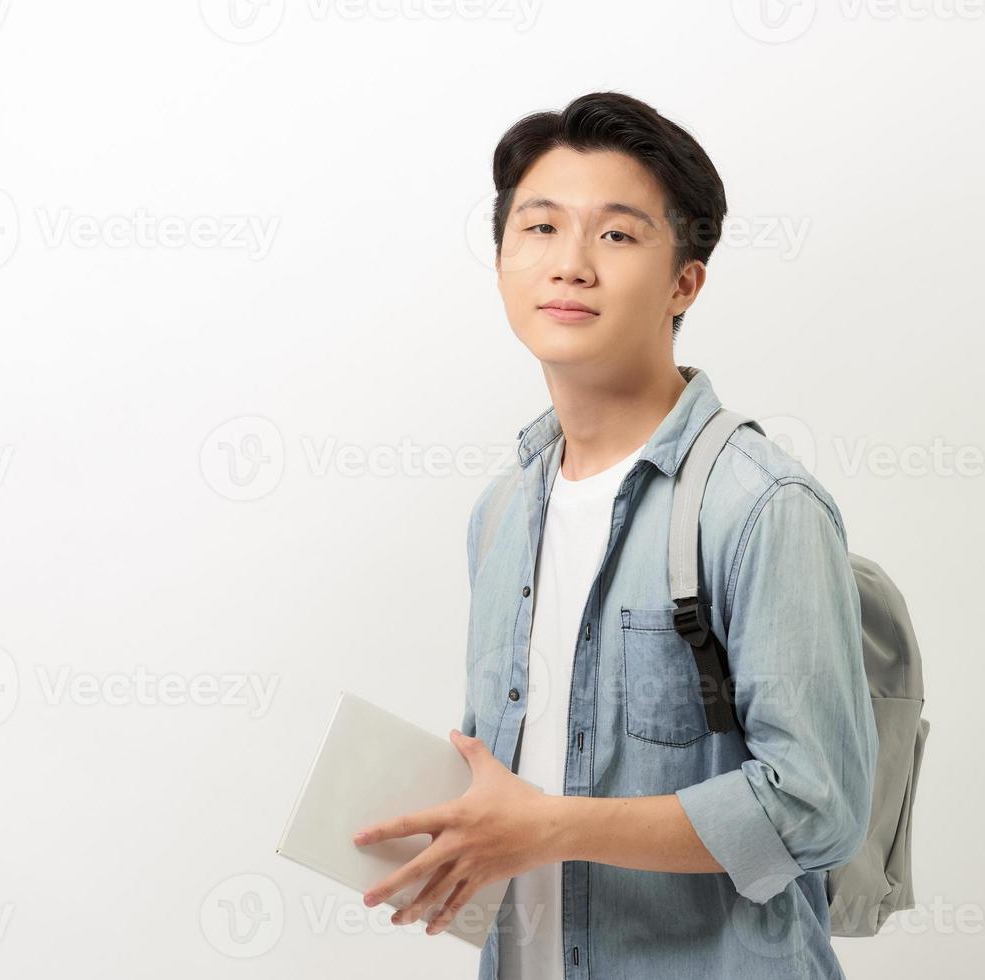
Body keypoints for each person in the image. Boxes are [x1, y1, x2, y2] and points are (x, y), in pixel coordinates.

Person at [351, 91, 878, 979]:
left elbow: (816, 807)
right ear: (501, 259)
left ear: (685, 281)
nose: (571, 265)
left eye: (618, 235)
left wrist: (549, 827)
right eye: (541, 228)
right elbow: (512, 780)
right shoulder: (502, 514)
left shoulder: (761, 507)